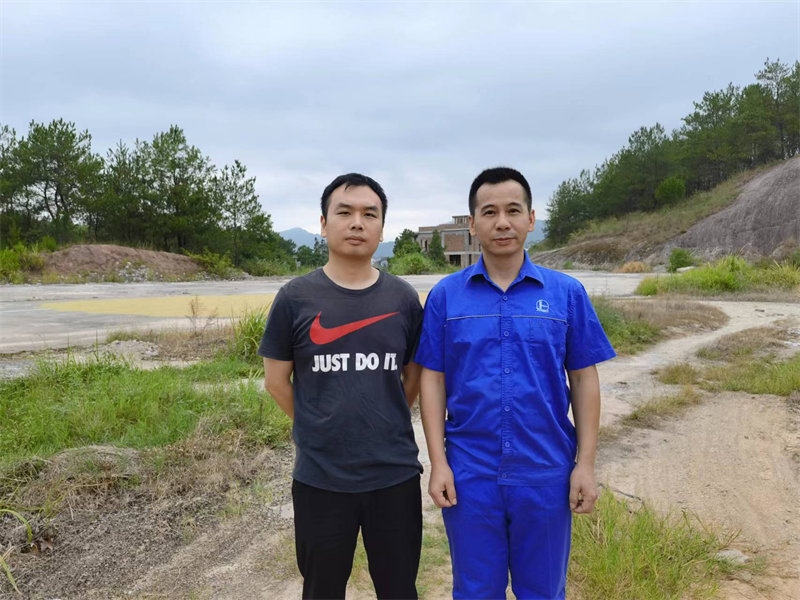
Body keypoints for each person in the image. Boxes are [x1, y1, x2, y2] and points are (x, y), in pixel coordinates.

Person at [415, 167, 616, 600]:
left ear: (531, 219)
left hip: (545, 471)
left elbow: (584, 378)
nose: (502, 222)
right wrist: (439, 463)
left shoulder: (566, 294)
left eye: (513, 210)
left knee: (543, 591)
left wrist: (585, 464)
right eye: (489, 212)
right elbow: (433, 379)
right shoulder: (446, 296)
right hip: (471, 474)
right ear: (473, 224)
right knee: (475, 591)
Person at [259, 173, 424, 600]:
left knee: (399, 589)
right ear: (323, 223)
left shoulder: (403, 299)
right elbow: (276, 381)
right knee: (322, 589)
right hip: (321, 479)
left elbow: (414, 375)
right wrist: (317, 421)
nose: (357, 223)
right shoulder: (295, 297)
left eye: (370, 214)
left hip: (394, 475)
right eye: (344, 212)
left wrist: (386, 414)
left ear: (382, 228)